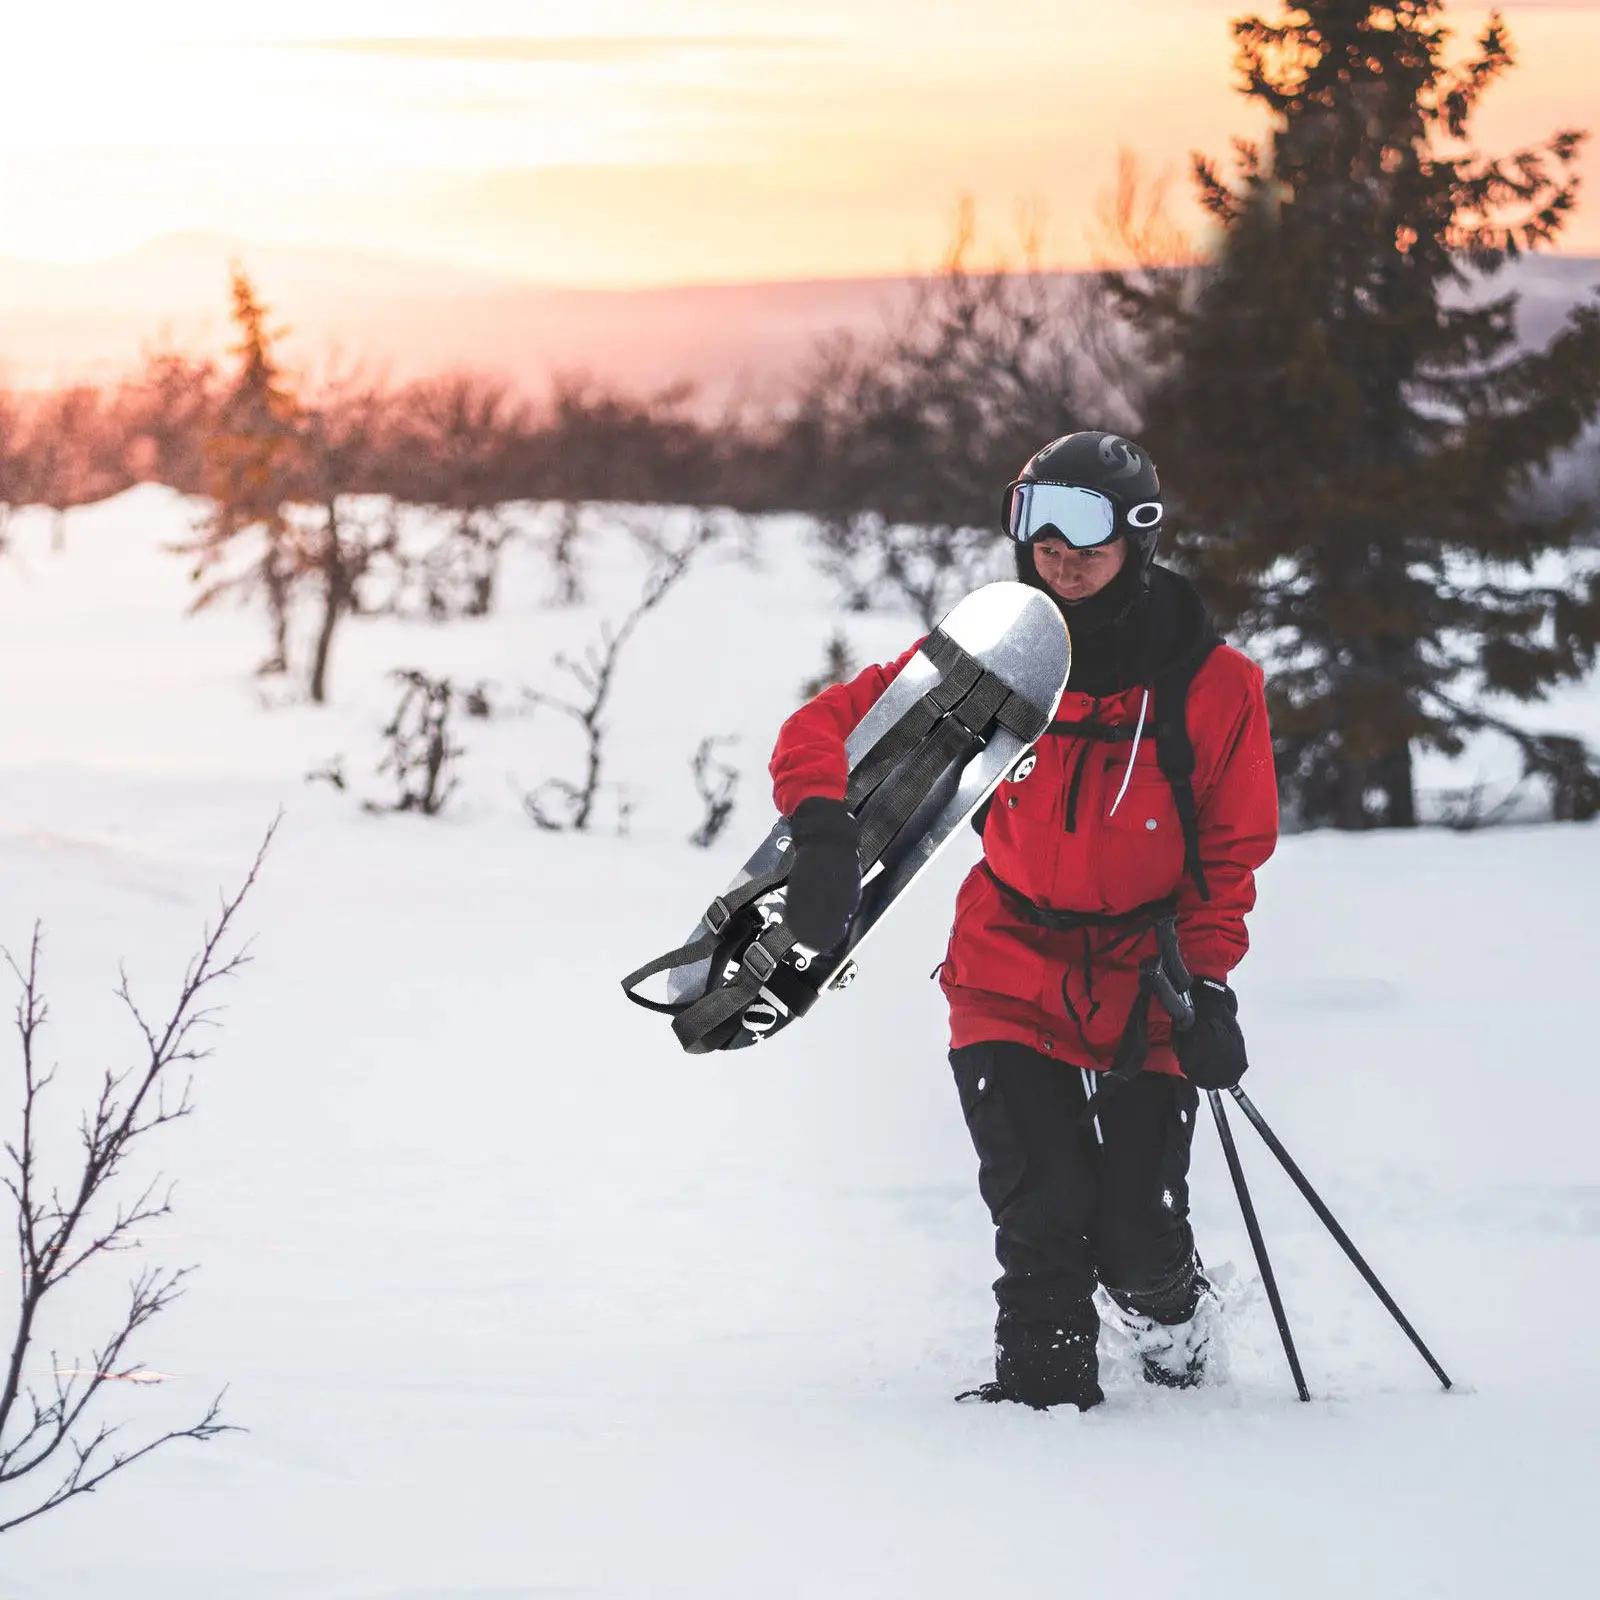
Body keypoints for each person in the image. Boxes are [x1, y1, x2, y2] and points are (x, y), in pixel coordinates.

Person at [767, 431, 1279, 1411]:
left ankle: (1172, 1318)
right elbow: (822, 726)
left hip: (1148, 970)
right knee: (1041, 1207)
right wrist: (826, 834)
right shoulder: (985, 664)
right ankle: (1040, 1405)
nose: (1056, 546)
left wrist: (1208, 983)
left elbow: (1228, 859)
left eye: (1083, 521)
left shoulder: (1214, 688)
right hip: (1005, 960)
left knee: (1134, 1228)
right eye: (1032, 517)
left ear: (1137, 533)